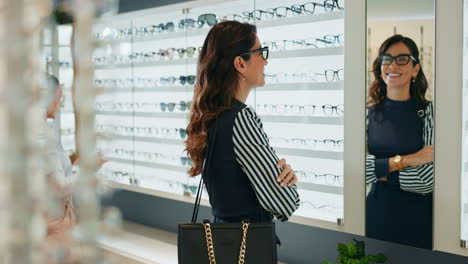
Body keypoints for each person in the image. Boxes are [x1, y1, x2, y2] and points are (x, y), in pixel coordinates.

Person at [185, 21, 300, 232]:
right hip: (246, 245)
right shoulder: (241, 118)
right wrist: (288, 181)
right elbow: (286, 203)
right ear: (240, 64)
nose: (265, 61)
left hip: (224, 239)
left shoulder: (212, 117)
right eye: (260, 53)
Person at [365, 34, 434, 249]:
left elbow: (426, 180)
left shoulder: (430, 112)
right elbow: (359, 170)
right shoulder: (367, 114)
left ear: (415, 69)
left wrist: (380, 170)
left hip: (419, 221)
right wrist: (409, 160)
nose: (393, 65)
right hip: (376, 216)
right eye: (387, 59)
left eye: (402, 59)